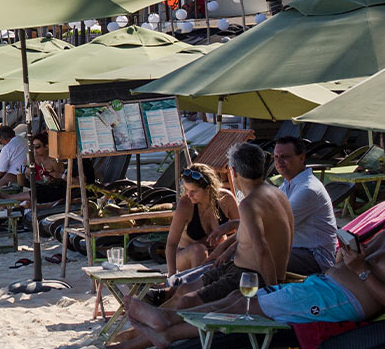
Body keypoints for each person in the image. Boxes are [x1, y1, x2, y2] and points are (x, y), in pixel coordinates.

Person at [125, 190, 385, 345]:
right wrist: (348, 259)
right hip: (322, 287)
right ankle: (167, 324)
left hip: (336, 301)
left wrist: (360, 269)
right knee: (237, 298)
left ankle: (167, 327)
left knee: (244, 310)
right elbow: (355, 265)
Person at [117, 143, 293, 349]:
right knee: (184, 290)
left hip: (250, 276)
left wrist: (271, 291)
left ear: (233, 171)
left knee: (186, 302)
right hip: (236, 268)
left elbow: (262, 250)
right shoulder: (277, 194)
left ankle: (153, 328)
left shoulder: (248, 203)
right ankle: (136, 337)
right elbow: (261, 234)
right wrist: (228, 237)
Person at [273, 135, 338, 275]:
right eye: (276, 157)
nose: (279, 162)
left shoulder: (308, 189)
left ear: (301, 158)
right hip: (297, 251)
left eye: (285, 157)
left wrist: (235, 227)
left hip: (315, 258)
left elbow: (274, 225)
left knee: (257, 257)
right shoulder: (287, 185)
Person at [163, 164, 240, 279]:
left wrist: (226, 249)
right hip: (187, 254)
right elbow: (171, 244)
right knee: (199, 250)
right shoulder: (185, 204)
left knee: (240, 247)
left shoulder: (226, 199)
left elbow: (244, 228)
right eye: (186, 189)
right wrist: (172, 275)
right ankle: (199, 288)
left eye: (193, 191)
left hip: (218, 252)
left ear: (208, 189)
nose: (189, 195)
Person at [0, 126, 27, 191]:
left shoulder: (7, 148)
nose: (0, 142)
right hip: (27, 175)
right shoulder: (24, 140)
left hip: (15, 177)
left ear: (3, 138)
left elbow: (0, 172)